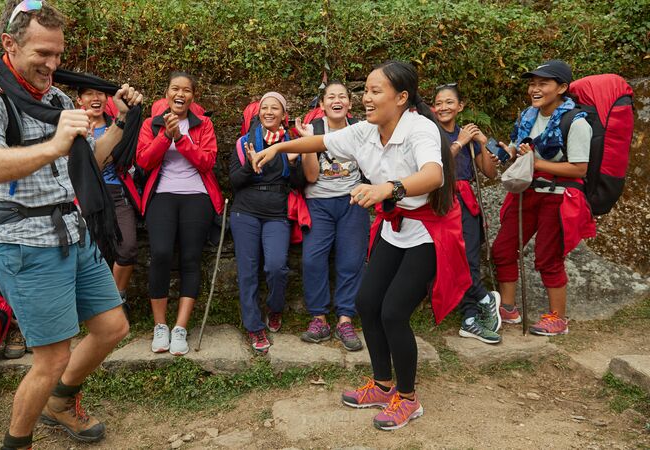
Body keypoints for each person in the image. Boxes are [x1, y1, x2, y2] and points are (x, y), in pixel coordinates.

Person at [252, 61, 470, 430]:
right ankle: (383, 385)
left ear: (401, 97)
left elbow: (433, 174)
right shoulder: (366, 131)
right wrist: (278, 148)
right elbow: (321, 141)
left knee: (393, 313)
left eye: (375, 91)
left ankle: (407, 398)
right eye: (365, 91)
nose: (365, 98)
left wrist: (389, 188)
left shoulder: (420, 129)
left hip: (428, 233)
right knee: (368, 303)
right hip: (394, 227)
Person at [0, 1, 141, 448]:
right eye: (42, 53)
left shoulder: (58, 98)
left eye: (58, 54)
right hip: (27, 246)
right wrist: (56, 142)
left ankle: (60, 404)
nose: (52, 64)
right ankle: (15, 442)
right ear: (9, 42)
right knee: (51, 358)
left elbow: (84, 164)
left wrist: (119, 122)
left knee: (112, 328)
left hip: (74, 234)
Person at [492, 60, 595, 336]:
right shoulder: (528, 115)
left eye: (543, 83)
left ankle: (557, 318)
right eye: (532, 83)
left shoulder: (575, 122)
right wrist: (507, 152)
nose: (535, 89)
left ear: (562, 88)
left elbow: (579, 168)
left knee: (549, 257)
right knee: (502, 248)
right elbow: (519, 147)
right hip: (527, 192)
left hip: (558, 197)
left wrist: (536, 163)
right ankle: (508, 309)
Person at [136, 71, 224, 356]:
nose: (181, 94)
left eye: (187, 90)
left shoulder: (204, 125)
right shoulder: (151, 124)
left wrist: (182, 139)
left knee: (190, 258)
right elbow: (144, 161)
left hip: (196, 196)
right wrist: (165, 136)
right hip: (162, 195)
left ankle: (180, 328)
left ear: (192, 97)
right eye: (175, 88)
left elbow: (207, 161)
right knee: (160, 253)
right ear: (166, 94)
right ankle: (160, 326)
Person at [294, 81, 367, 352]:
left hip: (353, 201)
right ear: (322, 104)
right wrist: (306, 142)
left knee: (351, 260)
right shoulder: (313, 130)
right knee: (313, 259)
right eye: (331, 97)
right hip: (319, 203)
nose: (337, 100)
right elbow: (311, 176)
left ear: (349, 103)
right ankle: (319, 319)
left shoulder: (361, 129)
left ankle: (345, 319)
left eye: (342, 96)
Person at [230, 92, 305, 352]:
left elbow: (299, 184)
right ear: (258, 113)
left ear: (284, 115)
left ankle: (274, 308)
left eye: (276, 108)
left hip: (277, 212)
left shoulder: (291, 144)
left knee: (276, 267)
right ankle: (254, 327)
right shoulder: (244, 143)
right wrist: (251, 166)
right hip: (245, 212)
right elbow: (234, 181)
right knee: (248, 272)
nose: (269, 112)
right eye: (265, 108)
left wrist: (295, 164)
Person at [432, 83, 502, 344]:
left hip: (465, 202)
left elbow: (490, 173)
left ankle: (470, 318)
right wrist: (460, 143)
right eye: (438, 103)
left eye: (449, 102)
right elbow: (437, 165)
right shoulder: (432, 134)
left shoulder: (467, 136)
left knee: (469, 260)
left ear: (460, 106)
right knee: (449, 260)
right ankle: (484, 298)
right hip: (441, 201)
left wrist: (482, 143)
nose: (443, 107)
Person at [77, 87, 141, 305]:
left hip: (115, 192)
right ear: (79, 100)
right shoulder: (73, 127)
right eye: (88, 94)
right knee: (92, 252)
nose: (95, 98)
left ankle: (115, 299)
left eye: (100, 94)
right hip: (84, 195)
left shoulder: (119, 125)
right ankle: (98, 306)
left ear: (107, 99)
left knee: (128, 247)